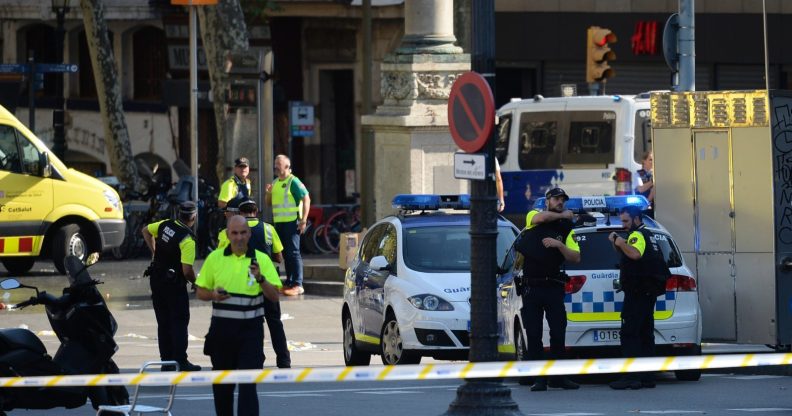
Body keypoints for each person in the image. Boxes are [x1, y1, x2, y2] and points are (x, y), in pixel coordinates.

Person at [195, 215, 281, 416]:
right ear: (227, 234)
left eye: (243, 232)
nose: (239, 237)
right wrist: (214, 295)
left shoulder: (261, 259)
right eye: (234, 233)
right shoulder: (215, 258)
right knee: (222, 389)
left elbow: (274, 296)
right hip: (222, 333)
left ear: (249, 234)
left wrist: (260, 278)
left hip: (250, 333)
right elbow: (200, 292)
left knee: (248, 387)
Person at [515, 187, 581, 391]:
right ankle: (539, 378)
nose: (560, 202)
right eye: (556, 199)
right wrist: (562, 215)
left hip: (553, 287)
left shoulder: (566, 229)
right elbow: (541, 219)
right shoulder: (534, 215)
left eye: (563, 200)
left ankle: (558, 378)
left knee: (558, 333)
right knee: (534, 335)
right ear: (548, 201)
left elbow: (576, 257)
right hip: (532, 288)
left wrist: (559, 245)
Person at [218, 199, 290, 368]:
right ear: (256, 211)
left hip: (242, 284)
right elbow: (279, 257)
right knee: (274, 321)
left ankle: (255, 358)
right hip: (266, 282)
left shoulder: (230, 232)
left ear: (240, 214)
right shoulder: (268, 229)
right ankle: (283, 359)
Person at [608, 205, 668, 390]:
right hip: (647, 293)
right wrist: (617, 243)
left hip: (637, 293)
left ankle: (631, 377)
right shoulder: (650, 235)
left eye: (626, 221)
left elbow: (634, 254)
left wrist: (619, 241)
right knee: (645, 334)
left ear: (636, 218)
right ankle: (647, 377)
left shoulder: (637, 235)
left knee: (630, 334)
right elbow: (631, 255)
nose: (623, 225)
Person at [141, 201, 201, 372]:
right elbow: (187, 270)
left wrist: (154, 253)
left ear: (178, 213)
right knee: (179, 322)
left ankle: (166, 362)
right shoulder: (187, 239)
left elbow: (145, 231)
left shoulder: (165, 224)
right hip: (174, 285)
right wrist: (195, 283)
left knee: (163, 322)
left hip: (157, 280)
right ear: (194, 217)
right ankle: (181, 361)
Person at [265, 154, 310, 296]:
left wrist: (303, 220)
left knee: (293, 253)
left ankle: (298, 283)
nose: (276, 167)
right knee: (285, 253)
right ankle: (289, 281)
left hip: (292, 222)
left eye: (279, 164)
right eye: (275, 164)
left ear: (287, 166)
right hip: (279, 224)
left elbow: (306, 198)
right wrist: (268, 193)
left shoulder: (294, 181)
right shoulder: (276, 182)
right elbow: (268, 203)